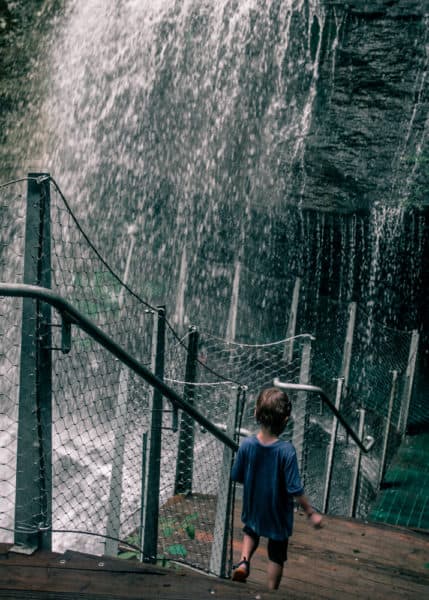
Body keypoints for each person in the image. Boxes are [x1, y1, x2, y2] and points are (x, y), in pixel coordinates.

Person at [231, 387, 322, 591]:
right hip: (277, 513)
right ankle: (271, 590)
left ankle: (244, 562)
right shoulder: (287, 451)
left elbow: (236, 476)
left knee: (251, 531)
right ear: (286, 420)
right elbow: (295, 488)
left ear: (255, 413)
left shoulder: (246, 445)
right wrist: (310, 512)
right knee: (277, 553)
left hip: (254, 506)